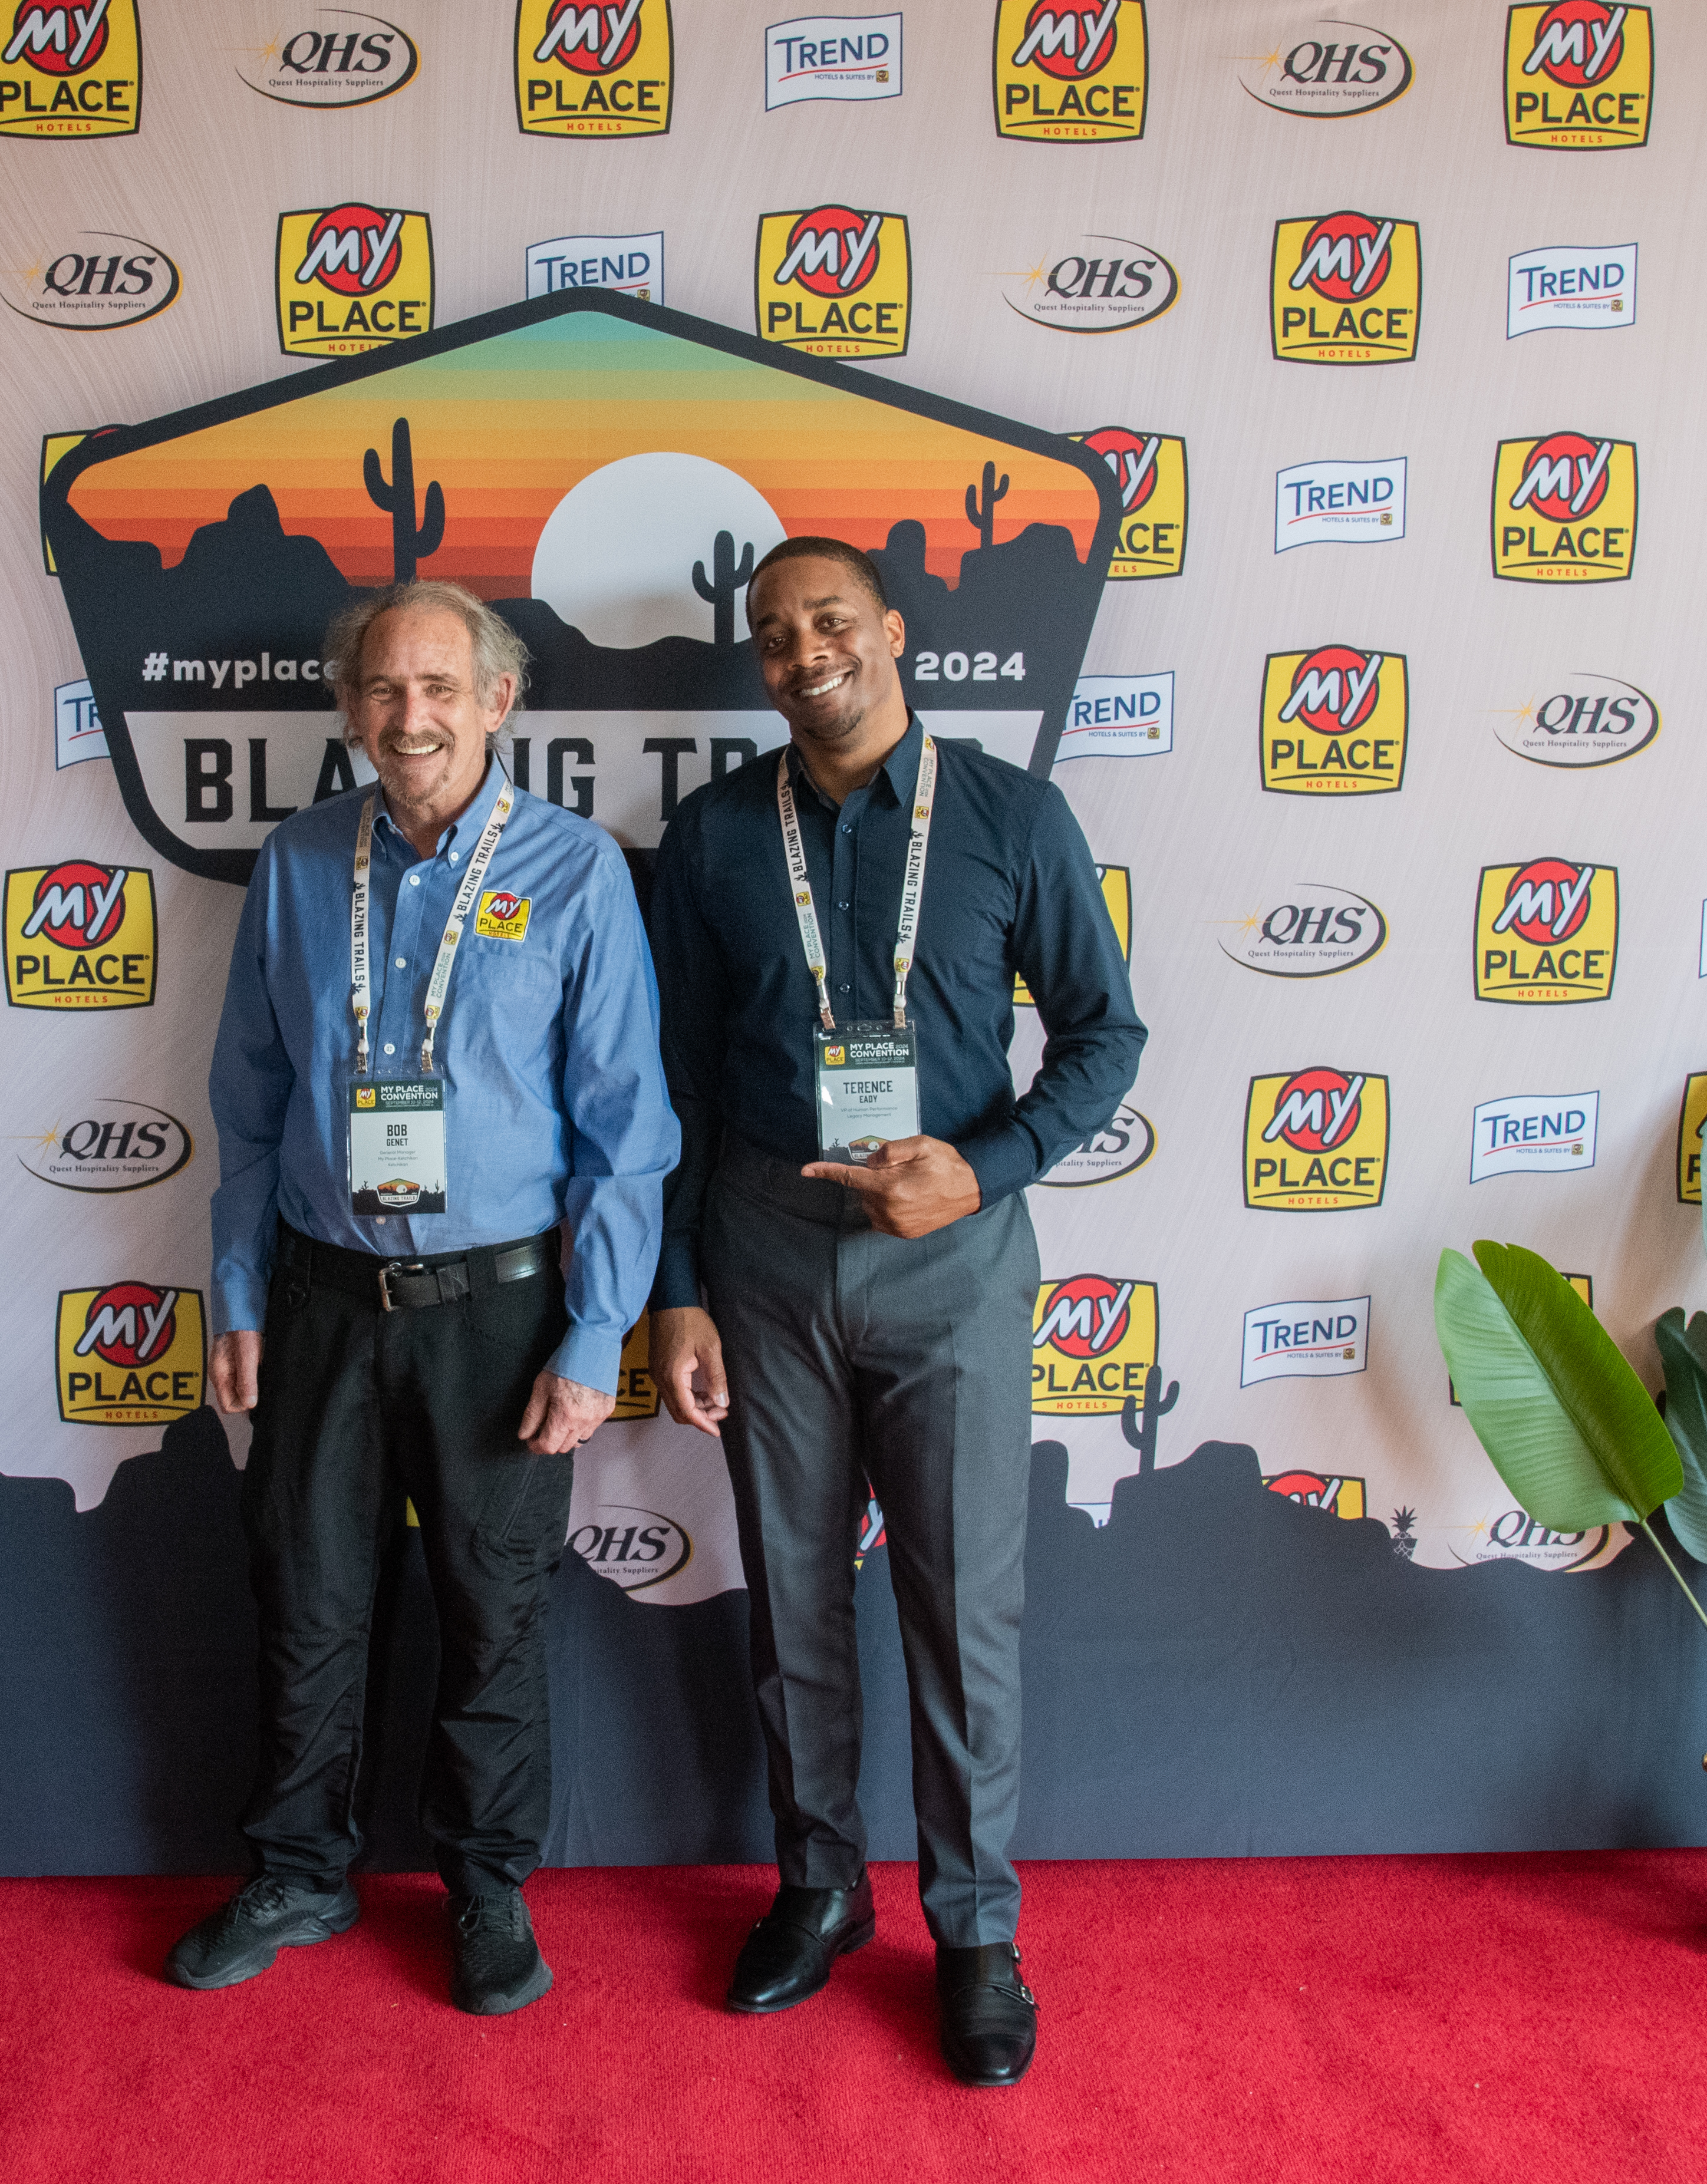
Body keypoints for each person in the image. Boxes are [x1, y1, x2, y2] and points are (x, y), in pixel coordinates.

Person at [645, 537, 1145, 2086]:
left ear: (895, 632)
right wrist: (678, 1292)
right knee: (793, 1597)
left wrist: (982, 1169)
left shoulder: (1012, 815)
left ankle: (976, 1932)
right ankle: (818, 1887)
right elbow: (675, 1081)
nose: (805, 651)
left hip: (953, 1264)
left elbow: (1103, 1036)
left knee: (961, 1607)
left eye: (832, 620)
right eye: (775, 633)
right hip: (764, 1256)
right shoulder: (713, 833)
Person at [173, 579, 677, 2017]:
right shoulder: (298, 861)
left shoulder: (576, 871)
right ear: (350, 708)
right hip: (319, 1299)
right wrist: (237, 1288)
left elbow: (626, 1129)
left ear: (498, 701)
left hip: (500, 1315)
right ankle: (296, 1871)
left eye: (441, 687)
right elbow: (248, 1099)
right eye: (385, 688)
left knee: (491, 1610)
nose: (412, 716)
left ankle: (486, 1885)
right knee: (307, 1601)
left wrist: (597, 1332)